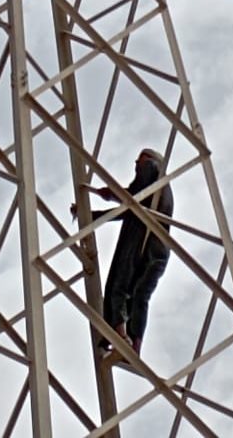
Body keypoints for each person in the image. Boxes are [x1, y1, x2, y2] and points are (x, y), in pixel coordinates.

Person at [73, 149, 174, 356]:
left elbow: (131, 200)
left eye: (141, 160)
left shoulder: (153, 172)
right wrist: (98, 210)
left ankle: (119, 332)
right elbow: (129, 206)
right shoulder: (157, 196)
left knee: (120, 284)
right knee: (140, 295)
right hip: (160, 249)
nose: (137, 163)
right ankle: (133, 344)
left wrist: (108, 198)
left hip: (144, 242)